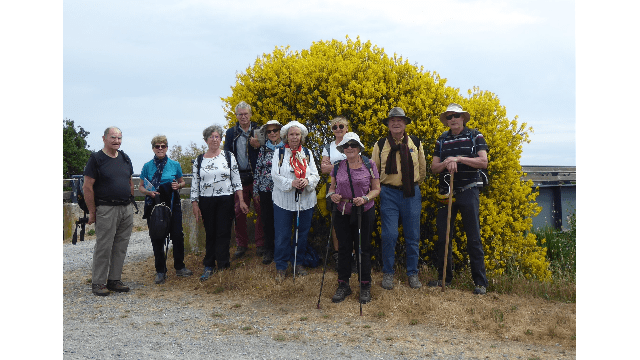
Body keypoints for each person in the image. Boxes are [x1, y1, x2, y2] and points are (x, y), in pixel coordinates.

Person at [429, 103, 489, 295]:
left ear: (463, 117)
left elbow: (483, 162)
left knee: (473, 238)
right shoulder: (442, 139)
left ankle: (480, 283)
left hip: (469, 190)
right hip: (447, 193)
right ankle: (444, 278)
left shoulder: (475, 135)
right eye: (449, 117)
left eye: (455, 115)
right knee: (444, 237)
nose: (452, 119)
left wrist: (459, 159)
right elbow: (434, 168)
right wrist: (446, 162)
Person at [372, 107, 427, 290]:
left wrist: (412, 184)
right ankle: (388, 273)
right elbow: (374, 172)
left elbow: (423, 169)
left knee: (413, 236)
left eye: (400, 120)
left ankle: (412, 274)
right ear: (388, 124)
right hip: (388, 193)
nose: (396, 123)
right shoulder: (380, 145)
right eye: (392, 120)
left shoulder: (416, 143)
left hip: (411, 193)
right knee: (389, 235)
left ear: (405, 123)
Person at [327, 132, 380, 304]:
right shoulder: (337, 166)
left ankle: (365, 286)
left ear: (358, 147)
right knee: (343, 248)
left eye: (353, 144)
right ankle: (343, 284)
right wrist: (333, 195)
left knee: (363, 248)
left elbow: (376, 189)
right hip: (342, 211)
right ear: (342, 148)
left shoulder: (369, 164)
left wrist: (365, 198)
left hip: (363, 210)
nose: (349, 148)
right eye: (346, 145)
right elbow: (331, 188)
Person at [191, 125, 249, 281]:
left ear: (221, 139)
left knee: (223, 232)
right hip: (206, 200)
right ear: (206, 140)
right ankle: (209, 265)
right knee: (210, 232)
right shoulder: (199, 160)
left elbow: (236, 180)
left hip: (225, 199)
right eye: (211, 137)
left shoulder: (228, 156)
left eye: (217, 136)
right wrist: (195, 204)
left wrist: (241, 200)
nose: (214, 139)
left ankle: (223, 264)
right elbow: (195, 184)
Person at [83, 126, 135, 296]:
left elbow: (129, 182)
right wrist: (92, 211)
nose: (116, 141)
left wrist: (130, 201)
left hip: (125, 208)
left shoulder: (125, 158)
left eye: (119, 138)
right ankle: (98, 282)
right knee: (104, 246)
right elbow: (87, 186)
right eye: (113, 137)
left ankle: (114, 280)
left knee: (121, 246)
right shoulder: (96, 159)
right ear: (104, 138)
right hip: (106, 208)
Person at [139, 135, 193, 284]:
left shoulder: (175, 164)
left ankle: (180, 267)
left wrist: (178, 185)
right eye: (157, 146)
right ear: (153, 148)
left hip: (172, 202)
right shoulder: (147, 166)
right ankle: (160, 271)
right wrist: (148, 193)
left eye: (163, 146)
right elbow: (141, 186)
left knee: (177, 235)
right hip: (154, 204)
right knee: (157, 237)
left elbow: (182, 182)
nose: (160, 149)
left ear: (167, 147)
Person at [271, 121, 320, 282]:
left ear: (301, 136)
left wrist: (306, 181)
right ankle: (281, 266)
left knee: (301, 234)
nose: (294, 137)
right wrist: (291, 183)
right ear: (286, 136)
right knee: (282, 234)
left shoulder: (307, 152)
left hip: (304, 201)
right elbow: (275, 176)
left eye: (297, 134)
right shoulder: (279, 153)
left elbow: (315, 174)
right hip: (283, 201)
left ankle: (298, 263)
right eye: (291, 134)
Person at [224, 101, 264, 259]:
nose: (243, 117)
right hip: (239, 177)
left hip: (257, 177)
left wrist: (259, 145)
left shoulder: (259, 130)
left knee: (260, 210)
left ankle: (261, 244)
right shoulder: (231, 132)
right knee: (239, 212)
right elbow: (227, 154)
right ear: (236, 116)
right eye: (240, 114)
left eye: (246, 114)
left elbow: (268, 150)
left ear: (251, 114)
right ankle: (242, 245)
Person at [320, 116, 350, 272]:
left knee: (351, 221)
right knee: (335, 222)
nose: (338, 129)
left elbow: (356, 166)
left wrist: (334, 166)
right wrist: (344, 167)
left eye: (341, 126)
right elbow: (323, 168)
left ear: (347, 128)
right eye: (335, 127)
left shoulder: (352, 144)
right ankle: (338, 255)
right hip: (333, 187)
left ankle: (351, 256)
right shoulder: (328, 146)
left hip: (351, 189)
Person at [252, 120, 284, 265]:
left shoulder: (286, 149)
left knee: (281, 221)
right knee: (267, 220)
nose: (272, 133)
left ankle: (281, 249)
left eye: (275, 131)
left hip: (282, 190)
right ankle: (268, 250)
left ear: (280, 132)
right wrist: (256, 191)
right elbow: (258, 170)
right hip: (265, 190)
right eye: (269, 131)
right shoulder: (263, 149)